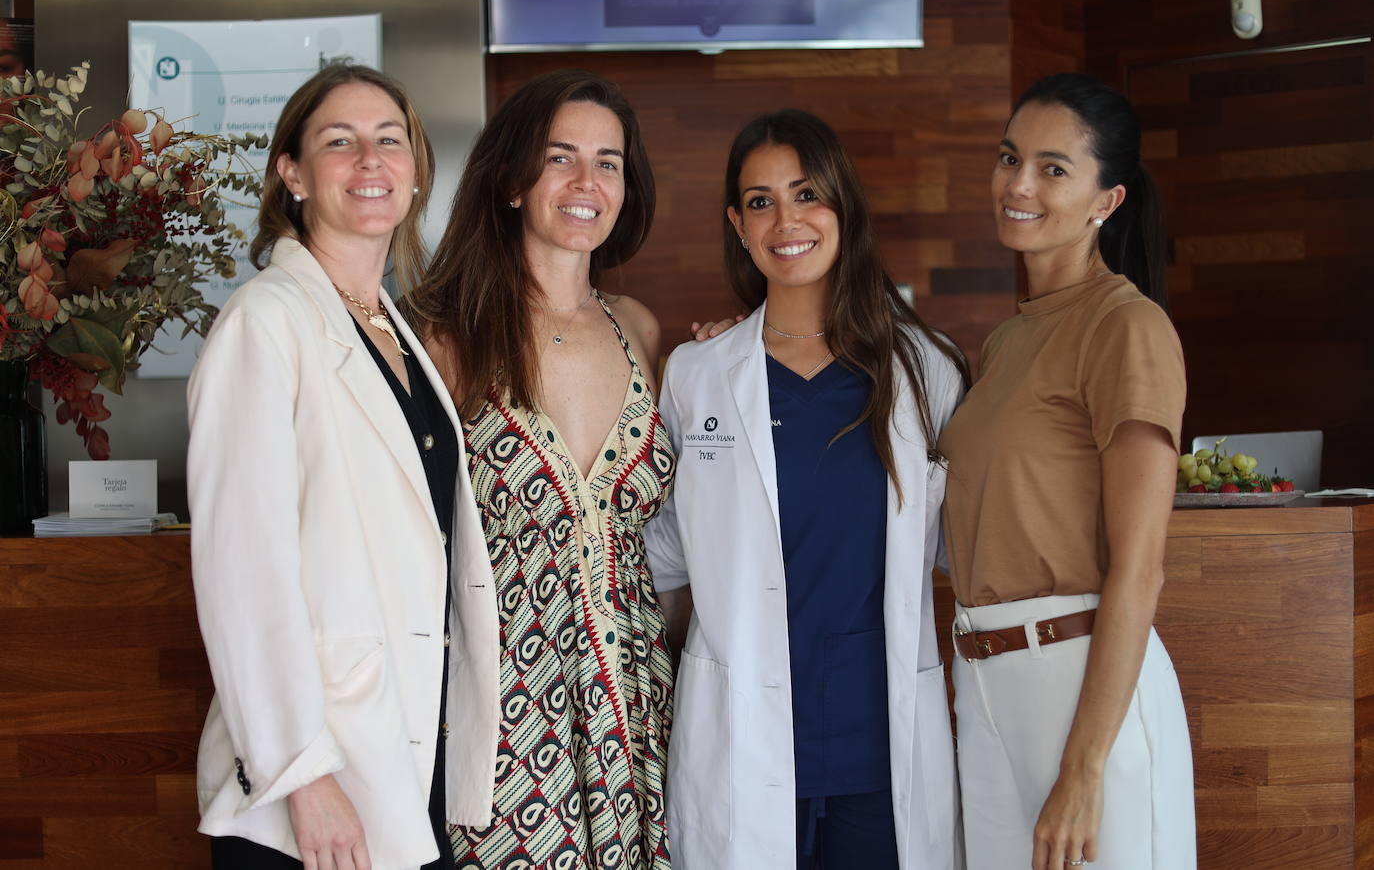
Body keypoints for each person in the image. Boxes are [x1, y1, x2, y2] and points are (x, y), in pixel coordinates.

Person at [188, 65, 498, 870]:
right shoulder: (265, 322)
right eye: (339, 142)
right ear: (291, 173)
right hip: (312, 788)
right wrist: (303, 775)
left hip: (401, 755)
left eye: (389, 141)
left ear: (417, 171)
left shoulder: (393, 327)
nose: (370, 160)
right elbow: (243, 573)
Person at [643, 109, 969, 869]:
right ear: (737, 223)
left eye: (807, 194)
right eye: (760, 202)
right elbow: (662, 549)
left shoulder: (926, 371)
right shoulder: (699, 374)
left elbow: (967, 541)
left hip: (877, 747)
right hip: (740, 736)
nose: (786, 220)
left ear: (843, 207)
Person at [407, 69, 675, 870]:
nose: (587, 182)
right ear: (514, 179)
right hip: (507, 708)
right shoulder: (449, 334)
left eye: (609, 161)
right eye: (560, 157)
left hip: (636, 696)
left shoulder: (641, 330)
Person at [937, 73, 1196, 870]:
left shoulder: (1126, 327)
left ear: (1105, 200)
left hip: (1080, 690)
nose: (1018, 185)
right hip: (984, 683)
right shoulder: (1008, 342)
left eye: (1054, 169)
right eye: (1010, 158)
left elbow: (1141, 570)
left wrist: (1085, 769)